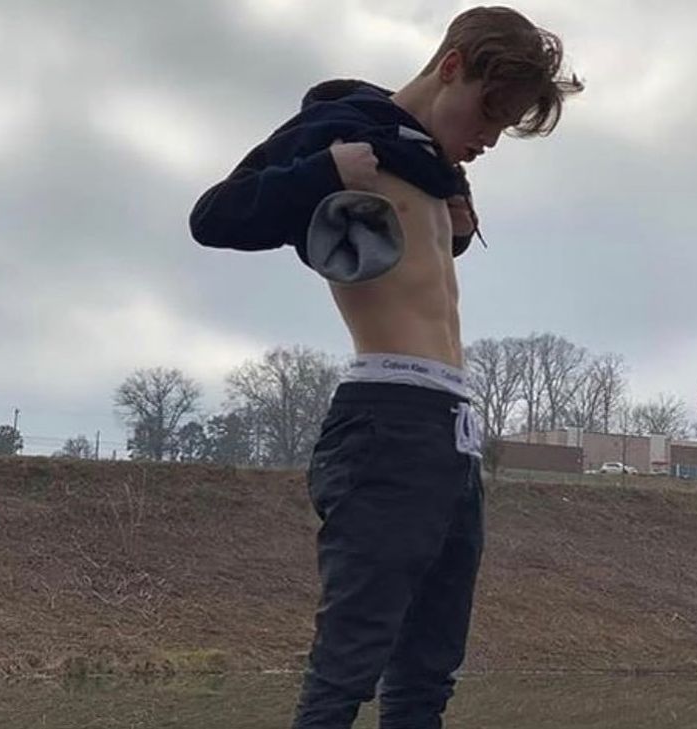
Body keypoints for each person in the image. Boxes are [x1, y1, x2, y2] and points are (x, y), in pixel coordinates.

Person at [189, 7, 583, 728]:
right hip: (386, 421)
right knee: (349, 665)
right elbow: (216, 216)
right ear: (452, 67)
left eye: (506, 126)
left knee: (429, 669)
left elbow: (409, 271)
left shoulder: (431, 167)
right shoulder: (342, 132)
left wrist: (456, 228)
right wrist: (324, 170)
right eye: (490, 113)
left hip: (452, 432)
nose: (491, 138)